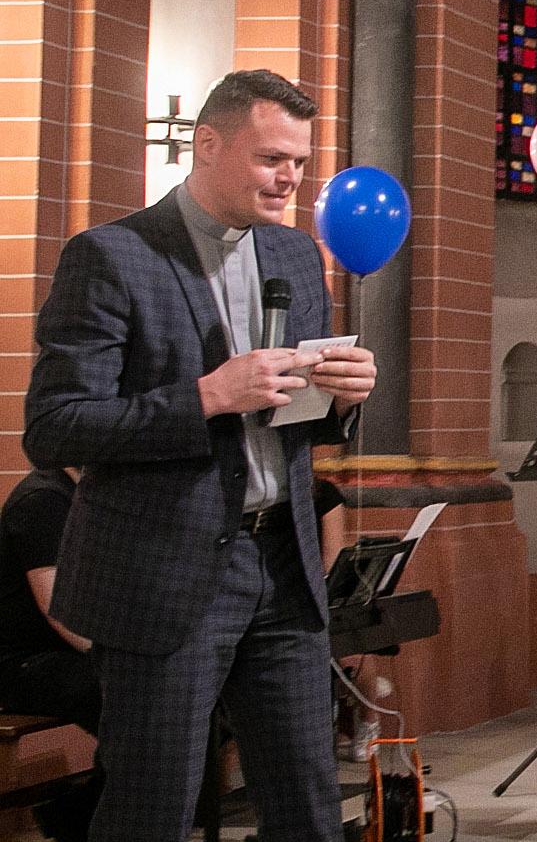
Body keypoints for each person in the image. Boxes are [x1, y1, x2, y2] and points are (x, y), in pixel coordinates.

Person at [22, 69, 379, 842]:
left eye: (298, 162)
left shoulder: (293, 255)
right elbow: (54, 427)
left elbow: (295, 424)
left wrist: (342, 398)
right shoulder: (112, 256)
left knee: (308, 809)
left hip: (280, 566)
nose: (290, 178)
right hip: (164, 572)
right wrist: (207, 395)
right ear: (207, 143)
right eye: (271, 158)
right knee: (153, 809)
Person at [0, 467, 100, 841]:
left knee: (192, 697)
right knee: (136, 698)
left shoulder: (91, 496)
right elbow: (60, 610)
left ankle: (76, 813)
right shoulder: (42, 500)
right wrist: (126, 661)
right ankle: (77, 816)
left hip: (65, 656)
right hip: (22, 663)